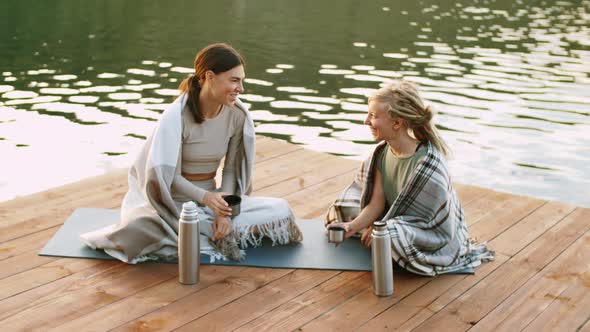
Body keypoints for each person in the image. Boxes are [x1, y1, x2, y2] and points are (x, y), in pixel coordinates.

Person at [81, 43, 302, 264]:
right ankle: (209, 233)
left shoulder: (237, 115)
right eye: (234, 80)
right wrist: (205, 198)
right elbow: (170, 178)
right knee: (138, 228)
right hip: (171, 204)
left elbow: (232, 169)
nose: (240, 88)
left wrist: (222, 212)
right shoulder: (176, 117)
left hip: (213, 201)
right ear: (210, 77)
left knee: (279, 210)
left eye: (241, 80)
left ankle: (211, 231)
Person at [326, 80, 493, 276]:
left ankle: (381, 233)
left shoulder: (429, 164)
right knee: (341, 209)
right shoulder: (381, 153)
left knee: (391, 234)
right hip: (395, 219)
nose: (366, 121)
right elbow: (376, 203)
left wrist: (382, 229)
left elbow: (427, 222)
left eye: (373, 116)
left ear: (397, 123)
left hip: (429, 232)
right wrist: (352, 227)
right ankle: (376, 231)